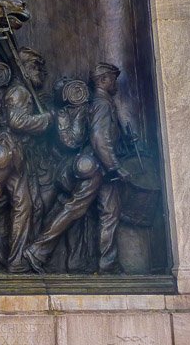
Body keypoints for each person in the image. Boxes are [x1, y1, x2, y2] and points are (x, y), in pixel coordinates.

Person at [25, 63, 128, 274]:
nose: (115, 84)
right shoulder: (101, 104)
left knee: (109, 213)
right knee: (75, 209)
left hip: (100, 168)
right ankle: (37, 250)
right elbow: (99, 138)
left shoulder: (100, 102)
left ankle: (108, 264)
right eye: (113, 79)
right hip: (98, 167)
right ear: (104, 80)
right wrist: (114, 167)